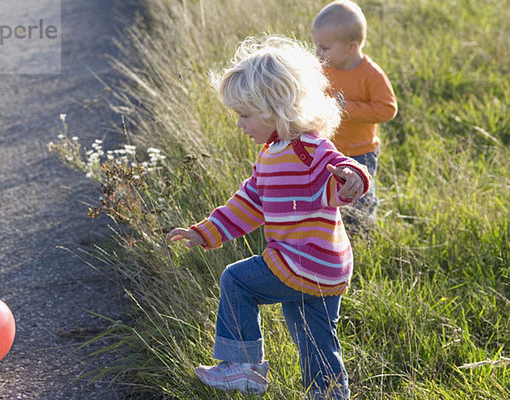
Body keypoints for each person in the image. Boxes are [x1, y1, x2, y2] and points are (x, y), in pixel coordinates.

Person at [166, 34, 371, 399]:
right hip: (320, 266)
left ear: (275, 109)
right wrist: (205, 232)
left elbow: (339, 168)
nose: (240, 125)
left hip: (304, 261)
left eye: (244, 115)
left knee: (237, 280)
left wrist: (354, 177)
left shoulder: (308, 147)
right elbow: (248, 203)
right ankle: (328, 394)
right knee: (313, 337)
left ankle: (243, 366)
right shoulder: (271, 154)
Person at [311, 0, 397, 220]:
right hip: (329, 147)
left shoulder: (371, 75)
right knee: (330, 191)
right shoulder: (323, 70)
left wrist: (346, 109)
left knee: (360, 196)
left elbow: (387, 109)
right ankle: (333, 230)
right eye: (317, 45)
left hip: (361, 150)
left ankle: (363, 231)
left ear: (351, 47)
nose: (317, 52)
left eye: (324, 48)